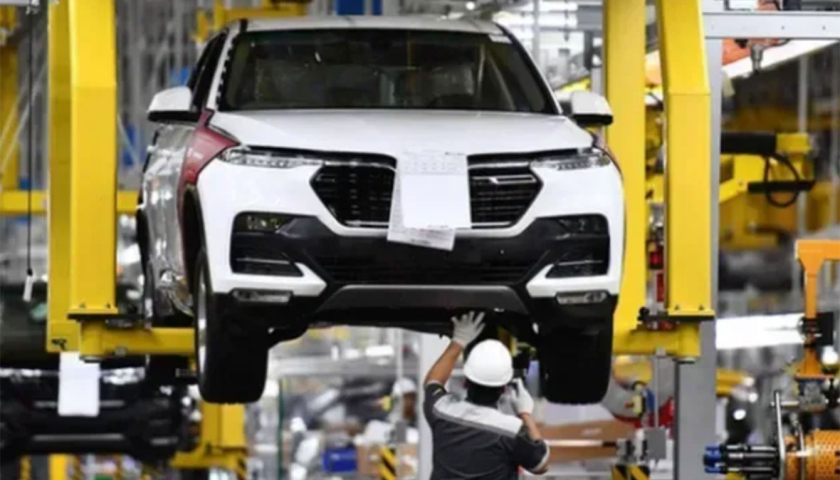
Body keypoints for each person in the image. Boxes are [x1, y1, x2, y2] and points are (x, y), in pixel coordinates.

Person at [423, 311, 550, 479]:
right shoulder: (511, 430)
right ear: (503, 389)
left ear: (466, 382)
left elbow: (433, 382)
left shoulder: (442, 412)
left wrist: (458, 341)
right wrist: (525, 414)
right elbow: (541, 465)